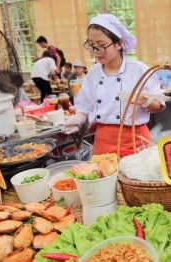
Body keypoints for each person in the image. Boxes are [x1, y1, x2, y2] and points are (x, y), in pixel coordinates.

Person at [62, 14, 165, 156]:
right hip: (104, 140)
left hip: (136, 139)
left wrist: (145, 101)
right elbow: (85, 105)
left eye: (102, 45)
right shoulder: (93, 73)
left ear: (119, 43)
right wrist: (79, 118)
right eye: (91, 45)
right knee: (104, 176)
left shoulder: (138, 69)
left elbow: (159, 106)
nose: (96, 51)